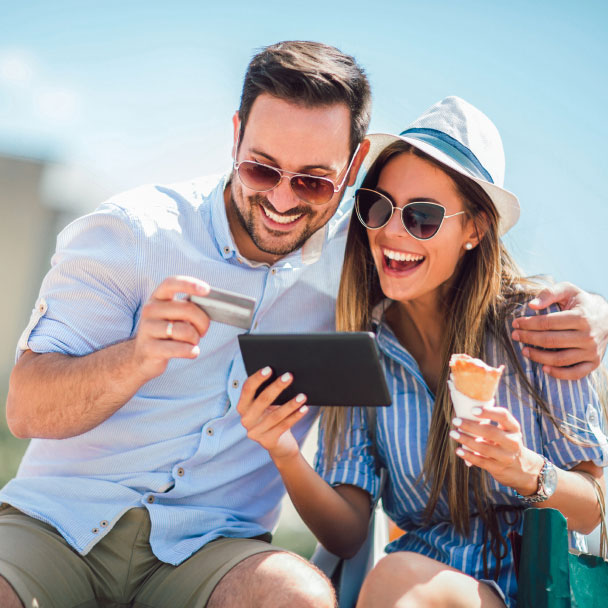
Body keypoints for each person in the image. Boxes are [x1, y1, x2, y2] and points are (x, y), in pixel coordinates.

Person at [0, 40, 605, 608]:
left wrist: (601, 318)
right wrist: (136, 358)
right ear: (235, 136)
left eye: (313, 180)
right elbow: (24, 410)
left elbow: (593, 499)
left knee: (309, 596)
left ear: (350, 169)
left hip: (210, 551)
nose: (285, 200)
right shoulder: (136, 235)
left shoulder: (381, 269)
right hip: (63, 523)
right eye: (262, 170)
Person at [237, 96, 608, 608]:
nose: (392, 231)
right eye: (378, 207)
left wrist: (523, 468)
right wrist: (282, 451)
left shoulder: (540, 329)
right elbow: (346, 534)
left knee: (394, 579)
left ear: (475, 229)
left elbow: (594, 510)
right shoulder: (362, 349)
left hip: (534, 589)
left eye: (424, 217)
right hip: (408, 585)